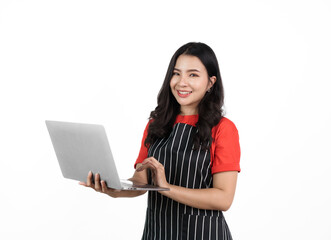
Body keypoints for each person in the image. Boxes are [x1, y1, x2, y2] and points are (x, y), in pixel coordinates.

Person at [80, 42, 241, 240]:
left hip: (203, 234)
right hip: (157, 232)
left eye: (193, 75)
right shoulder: (157, 124)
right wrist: (113, 189)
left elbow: (224, 198)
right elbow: (141, 182)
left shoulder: (224, 128)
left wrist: (167, 187)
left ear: (210, 82)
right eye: (176, 73)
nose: (182, 82)